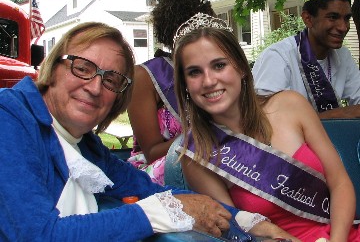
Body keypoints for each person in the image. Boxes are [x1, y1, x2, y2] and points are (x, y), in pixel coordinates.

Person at [0, 21, 254, 241]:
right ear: (52, 67)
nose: (95, 87)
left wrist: (249, 220)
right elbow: (36, 235)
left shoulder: (86, 147)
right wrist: (159, 212)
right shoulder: (9, 116)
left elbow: (151, 190)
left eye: (111, 80)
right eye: (83, 68)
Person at [173, 12, 360, 241]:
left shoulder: (290, 105)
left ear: (241, 68)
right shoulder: (198, 153)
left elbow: (340, 183)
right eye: (194, 72)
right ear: (185, 85)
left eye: (219, 65)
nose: (209, 80)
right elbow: (236, 229)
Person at [127, 0, 216, 185]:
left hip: (213, 161)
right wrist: (208, 132)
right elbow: (151, 153)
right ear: (173, 35)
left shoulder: (216, 72)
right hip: (161, 170)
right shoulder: (145, 77)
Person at [252, 0, 360, 119]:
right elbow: (268, 119)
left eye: (347, 18)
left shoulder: (343, 55)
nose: (343, 27)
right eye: (333, 17)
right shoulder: (278, 57)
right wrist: (337, 114)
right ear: (308, 19)